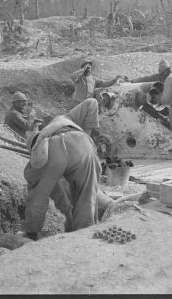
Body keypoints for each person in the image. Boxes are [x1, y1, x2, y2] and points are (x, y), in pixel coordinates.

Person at [22, 99, 114, 238]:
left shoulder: (42, 140)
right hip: (85, 146)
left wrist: (32, 227)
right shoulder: (66, 118)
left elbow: (39, 191)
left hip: (55, 145)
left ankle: (31, 232)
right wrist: (87, 133)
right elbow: (92, 102)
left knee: (38, 191)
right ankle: (82, 234)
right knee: (86, 193)